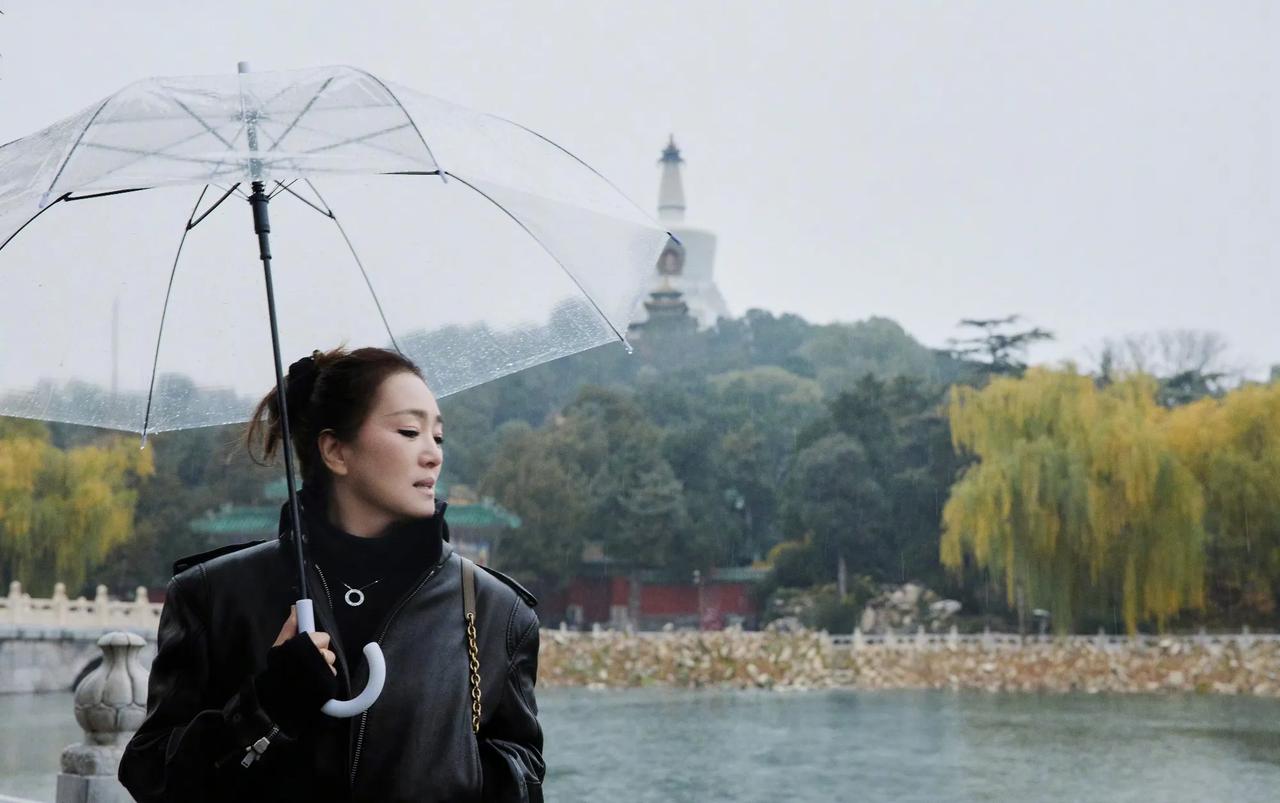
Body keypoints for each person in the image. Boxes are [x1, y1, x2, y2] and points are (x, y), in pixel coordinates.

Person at [119, 347, 544, 802]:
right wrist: (266, 705)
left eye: (437, 437)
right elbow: (151, 777)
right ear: (336, 451)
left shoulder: (497, 613)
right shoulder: (215, 595)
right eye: (409, 431)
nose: (432, 455)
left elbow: (524, 773)